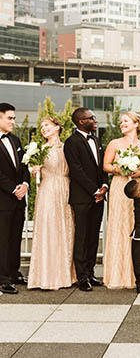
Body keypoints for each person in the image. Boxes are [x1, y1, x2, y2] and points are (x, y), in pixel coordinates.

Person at [28, 116, 76, 290]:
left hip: (65, 188)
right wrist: (35, 170)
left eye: (47, 125)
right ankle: (46, 275)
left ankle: (64, 273)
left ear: (57, 127)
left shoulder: (67, 148)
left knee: (64, 227)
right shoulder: (39, 149)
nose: (43, 128)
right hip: (47, 190)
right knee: (48, 227)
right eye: (41, 126)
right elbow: (35, 171)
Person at [102, 112, 140, 289]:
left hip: (137, 188)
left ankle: (135, 273)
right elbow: (105, 166)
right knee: (119, 225)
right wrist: (119, 169)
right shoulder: (115, 144)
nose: (122, 124)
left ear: (137, 124)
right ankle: (117, 274)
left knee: (135, 225)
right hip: (119, 187)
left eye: (126, 121)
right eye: (121, 122)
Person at [64, 108, 108, 292]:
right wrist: (94, 190)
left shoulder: (96, 140)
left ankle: (90, 272)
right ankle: (82, 276)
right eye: (91, 118)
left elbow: (101, 168)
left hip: (98, 197)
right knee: (81, 236)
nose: (95, 120)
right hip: (82, 198)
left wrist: (104, 186)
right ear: (81, 121)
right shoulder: (71, 142)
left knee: (92, 236)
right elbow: (77, 171)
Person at [0, 103, 30, 295]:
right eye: (9, 118)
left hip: (18, 199)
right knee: (2, 239)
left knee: (15, 237)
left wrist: (25, 185)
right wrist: (13, 189)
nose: (13, 121)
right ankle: (3, 278)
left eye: (13, 118)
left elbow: (25, 166)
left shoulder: (16, 140)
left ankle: (13, 271)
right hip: (3, 199)